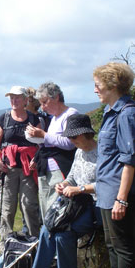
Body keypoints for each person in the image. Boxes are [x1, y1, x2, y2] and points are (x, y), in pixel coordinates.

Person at [20, 114, 99, 268]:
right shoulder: (80, 151)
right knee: (48, 228)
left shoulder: (103, 152)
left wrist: (80, 189)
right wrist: (63, 184)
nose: (71, 141)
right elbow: (72, 176)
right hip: (76, 204)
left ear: (85, 134)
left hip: (95, 205)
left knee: (63, 232)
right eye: (69, 137)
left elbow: (108, 183)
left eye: (74, 137)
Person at [93, 61, 135, 268]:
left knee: (123, 248)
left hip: (118, 194)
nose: (95, 90)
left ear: (113, 85)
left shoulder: (128, 114)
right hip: (106, 193)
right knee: (112, 245)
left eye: (98, 85)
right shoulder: (110, 112)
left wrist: (122, 198)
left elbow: (130, 160)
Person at [0, 86, 41, 251]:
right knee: (7, 209)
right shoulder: (4, 118)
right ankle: (5, 248)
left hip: (28, 169)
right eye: (11, 97)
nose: (14, 100)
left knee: (29, 206)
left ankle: (35, 247)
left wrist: (36, 158)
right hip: (8, 169)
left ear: (26, 100)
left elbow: (42, 143)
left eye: (17, 97)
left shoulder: (34, 119)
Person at [26, 82, 79, 221]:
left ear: (56, 97)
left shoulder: (70, 115)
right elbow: (49, 143)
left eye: (45, 102)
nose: (42, 107)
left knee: (56, 210)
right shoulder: (55, 118)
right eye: (40, 103)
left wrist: (43, 135)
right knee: (46, 207)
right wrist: (37, 158)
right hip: (46, 168)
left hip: (60, 169)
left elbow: (70, 143)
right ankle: (48, 238)